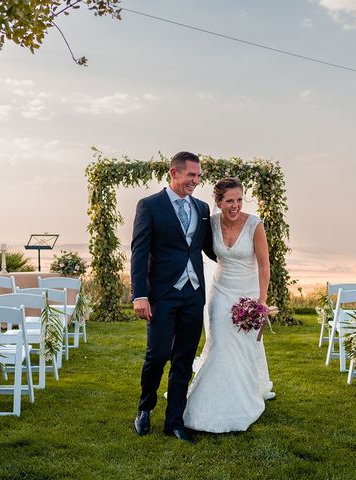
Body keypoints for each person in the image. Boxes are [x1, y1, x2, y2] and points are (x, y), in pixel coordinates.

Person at [131, 151, 215, 444]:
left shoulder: (202, 208)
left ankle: (175, 421)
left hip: (193, 295)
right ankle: (145, 408)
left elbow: (208, 249)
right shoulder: (150, 206)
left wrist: (241, 260)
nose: (196, 180)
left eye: (199, 176)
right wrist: (140, 295)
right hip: (162, 295)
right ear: (174, 173)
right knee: (157, 355)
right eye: (191, 175)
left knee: (184, 359)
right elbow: (139, 252)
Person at [183, 177, 274, 433]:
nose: (235, 205)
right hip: (220, 292)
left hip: (248, 294)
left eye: (239, 200)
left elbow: (265, 266)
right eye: (229, 200)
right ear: (219, 202)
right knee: (220, 344)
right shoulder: (210, 224)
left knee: (243, 348)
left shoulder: (255, 225)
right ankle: (206, 404)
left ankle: (242, 397)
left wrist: (261, 302)